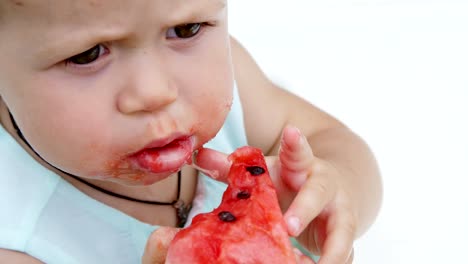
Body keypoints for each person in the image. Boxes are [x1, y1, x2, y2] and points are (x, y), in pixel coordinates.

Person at [0, 0, 382, 263]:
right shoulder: (16, 238)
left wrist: (337, 192)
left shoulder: (237, 88)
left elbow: (335, 141)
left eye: (185, 29)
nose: (156, 92)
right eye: (88, 54)